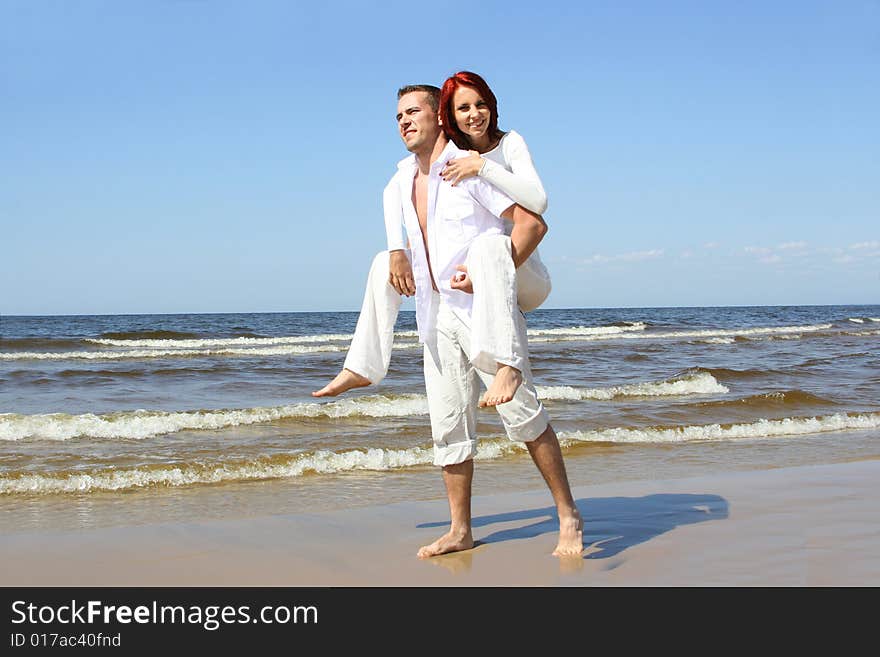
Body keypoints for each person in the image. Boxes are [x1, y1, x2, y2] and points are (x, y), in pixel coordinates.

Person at [370, 83, 582, 558]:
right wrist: (396, 250)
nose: (403, 122)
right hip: (434, 316)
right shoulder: (403, 181)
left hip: (485, 315)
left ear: (438, 118)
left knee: (523, 416)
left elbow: (532, 223)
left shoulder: (465, 168)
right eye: (397, 116)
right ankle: (460, 529)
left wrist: (493, 274)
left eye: (413, 112)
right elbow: (393, 216)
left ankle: (568, 514)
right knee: (448, 426)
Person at [313, 71, 551, 407]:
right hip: (475, 282)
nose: (473, 115)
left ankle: (508, 364)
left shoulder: (492, 151)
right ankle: (362, 366)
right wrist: (397, 249)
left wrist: (481, 167)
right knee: (384, 263)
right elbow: (391, 190)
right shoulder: (439, 164)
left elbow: (537, 212)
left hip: (522, 269)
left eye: (480, 105)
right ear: (450, 116)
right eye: (463, 108)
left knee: (488, 246)